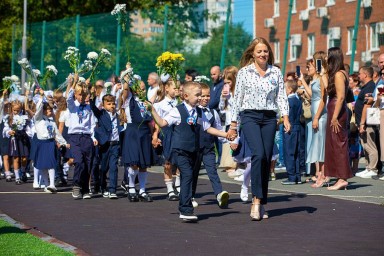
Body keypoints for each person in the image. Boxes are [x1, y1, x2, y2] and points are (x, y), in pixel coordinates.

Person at [227, 37, 290, 221]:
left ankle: (262, 201)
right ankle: (255, 200)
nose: (263, 54)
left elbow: (281, 97)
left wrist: (285, 117)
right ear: (252, 54)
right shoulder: (245, 73)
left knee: (267, 157)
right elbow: (237, 98)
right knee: (259, 155)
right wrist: (233, 123)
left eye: (266, 51)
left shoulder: (275, 72)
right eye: (259, 51)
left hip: (270, 118)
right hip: (249, 117)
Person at [148, 81, 228, 221]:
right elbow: (162, 123)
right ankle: (185, 209)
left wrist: (225, 134)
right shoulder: (177, 111)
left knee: (188, 176)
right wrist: (152, 110)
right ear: (185, 96)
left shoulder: (198, 111)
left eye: (201, 95)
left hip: (194, 151)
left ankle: (186, 204)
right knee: (188, 174)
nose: (200, 98)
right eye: (197, 95)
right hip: (180, 150)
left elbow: (207, 128)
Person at [192, 83, 229, 208]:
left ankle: (219, 194)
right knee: (193, 173)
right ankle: (190, 196)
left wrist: (227, 140)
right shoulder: (193, 111)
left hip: (208, 148)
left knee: (212, 171)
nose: (205, 98)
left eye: (208, 96)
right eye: (202, 95)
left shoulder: (213, 112)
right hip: (195, 148)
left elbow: (218, 129)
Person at [120, 75, 154, 203]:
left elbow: (150, 121)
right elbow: (125, 89)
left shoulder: (147, 103)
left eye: (144, 89)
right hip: (133, 132)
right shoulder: (129, 100)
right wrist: (128, 74)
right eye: (140, 89)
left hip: (145, 133)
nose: (142, 91)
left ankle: (143, 190)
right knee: (134, 162)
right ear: (134, 90)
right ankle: (132, 187)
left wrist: (153, 136)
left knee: (144, 164)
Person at [323, 47, 353, 190]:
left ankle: (342, 178)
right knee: (334, 143)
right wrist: (323, 72)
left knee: (339, 144)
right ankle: (338, 175)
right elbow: (326, 88)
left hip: (337, 110)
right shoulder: (339, 73)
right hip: (335, 109)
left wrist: (334, 117)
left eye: (328, 56)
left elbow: (341, 97)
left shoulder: (339, 75)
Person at [298, 52, 328, 188]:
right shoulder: (314, 80)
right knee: (317, 145)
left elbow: (323, 98)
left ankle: (322, 176)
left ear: (316, 66)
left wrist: (316, 117)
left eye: (309, 66)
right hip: (316, 111)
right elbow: (311, 95)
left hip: (321, 114)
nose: (307, 69)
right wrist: (302, 80)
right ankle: (320, 174)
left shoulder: (322, 78)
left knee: (321, 145)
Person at [66, 74, 97, 199]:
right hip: (75, 137)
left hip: (87, 138)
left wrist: (93, 138)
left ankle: (85, 189)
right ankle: (76, 185)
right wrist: (73, 83)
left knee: (88, 163)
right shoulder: (72, 106)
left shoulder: (90, 107)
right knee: (78, 161)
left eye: (83, 95)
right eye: (79, 95)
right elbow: (68, 97)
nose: (81, 97)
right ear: (75, 94)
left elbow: (93, 124)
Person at [32, 88, 68, 193]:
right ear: (43, 111)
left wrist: (64, 143)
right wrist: (42, 97)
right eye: (48, 110)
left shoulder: (51, 122)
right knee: (43, 165)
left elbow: (56, 133)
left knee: (52, 164)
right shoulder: (38, 119)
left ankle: (52, 184)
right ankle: (46, 185)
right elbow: (38, 109)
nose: (50, 111)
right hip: (41, 143)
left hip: (50, 144)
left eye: (51, 110)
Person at [152, 77, 180, 201]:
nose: (177, 90)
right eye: (174, 88)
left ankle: (178, 185)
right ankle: (170, 189)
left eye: (178, 88)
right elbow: (158, 122)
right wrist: (155, 135)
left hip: (179, 133)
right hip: (167, 133)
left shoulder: (180, 102)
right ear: (167, 88)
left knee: (180, 160)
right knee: (168, 162)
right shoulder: (159, 104)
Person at [91, 94, 123, 199]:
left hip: (115, 144)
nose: (112, 106)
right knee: (104, 168)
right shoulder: (101, 114)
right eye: (108, 104)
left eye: (113, 103)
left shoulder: (118, 115)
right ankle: (102, 186)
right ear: (103, 105)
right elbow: (93, 107)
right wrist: (93, 97)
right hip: (105, 145)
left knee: (114, 167)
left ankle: (112, 190)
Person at [354, 66, 379, 179]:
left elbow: (367, 105)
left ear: (365, 74)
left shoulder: (370, 86)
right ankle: (368, 167)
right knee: (365, 145)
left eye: (360, 74)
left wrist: (363, 123)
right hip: (362, 121)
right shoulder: (366, 86)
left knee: (370, 146)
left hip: (368, 122)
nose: (359, 76)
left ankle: (373, 168)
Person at [281, 80, 303, 185]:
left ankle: (291, 176)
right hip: (297, 127)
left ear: (289, 90)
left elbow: (287, 115)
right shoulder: (298, 100)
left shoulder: (288, 101)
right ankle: (297, 176)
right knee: (296, 153)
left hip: (290, 127)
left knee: (289, 151)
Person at [218, 66, 238, 175]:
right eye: (225, 82)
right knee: (228, 141)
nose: (227, 85)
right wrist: (223, 97)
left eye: (229, 82)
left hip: (237, 121)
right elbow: (221, 108)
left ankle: (236, 164)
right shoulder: (226, 92)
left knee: (235, 141)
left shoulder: (237, 92)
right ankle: (229, 164)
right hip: (228, 121)